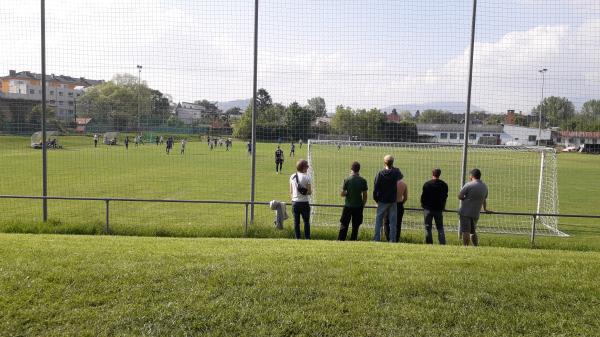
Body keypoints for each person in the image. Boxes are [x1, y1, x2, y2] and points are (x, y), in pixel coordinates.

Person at [373, 155, 403, 242]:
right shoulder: (396, 172)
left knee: (378, 220)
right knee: (393, 222)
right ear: (392, 163)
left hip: (382, 200)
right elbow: (400, 176)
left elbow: (376, 188)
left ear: (384, 162)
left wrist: (376, 199)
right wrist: (392, 166)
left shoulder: (380, 173)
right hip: (392, 200)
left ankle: (377, 239)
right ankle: (392, 239)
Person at [458, 168, 490, 246]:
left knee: (466, 231)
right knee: (473, 231)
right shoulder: (484, 186)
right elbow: (484, 199)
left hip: (465, 212)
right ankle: (476, 246)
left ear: (472, 176)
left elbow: (460, 196)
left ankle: (465, 247)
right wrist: (485, 209)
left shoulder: (469, 184)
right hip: (476, 212)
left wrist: (466, 199)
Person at [338, 161, 368, 241]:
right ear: (359, 169)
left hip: (348, 206)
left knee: (344, 224)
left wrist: (347, 193)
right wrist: (363, 205)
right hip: (358, 206)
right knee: (356, 225)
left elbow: (342, 194)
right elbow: (365, 195)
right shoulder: (363, 181)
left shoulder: (347, 180)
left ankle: (341, 239)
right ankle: (353, 239)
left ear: (351, 169)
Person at [421, 168, 448, 245]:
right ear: (439, 174)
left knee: (427, 227)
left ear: (432, 174)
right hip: (439, 209)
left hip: (428, 209)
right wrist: (443, 206)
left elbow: (423, 197)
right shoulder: (444, 185)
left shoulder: (427, 184)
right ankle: (442, 243)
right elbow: (445, 197)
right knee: (440, 227)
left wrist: (423, 205)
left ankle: (429, 243)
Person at [290, 159, 312, 239]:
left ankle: (297, 238)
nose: (308, 167)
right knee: (306, 222)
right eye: (307, 166)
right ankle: (307, 238)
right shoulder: (307, 177)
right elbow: (309, 192)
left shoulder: (292, 176)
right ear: (303, 167)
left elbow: (291, 191)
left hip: (295, 202)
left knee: (296, 222)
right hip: (304, 202)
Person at [383, 178, 408, 243]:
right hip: (399, 204)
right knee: (398, 224)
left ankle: (389, 239)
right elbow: (405, 198)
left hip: (389, 204)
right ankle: (396, 240)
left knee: (386, 222)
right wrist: (401, 203)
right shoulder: (404, 184)